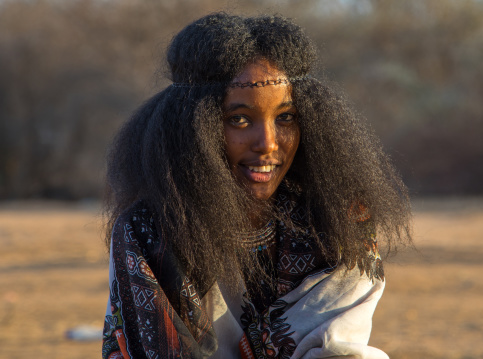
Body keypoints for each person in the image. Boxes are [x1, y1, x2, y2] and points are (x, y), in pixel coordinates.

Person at [102, 13, 412, 359]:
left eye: (286, 118)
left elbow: (338, 346)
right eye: (239, 119)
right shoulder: (150, 230)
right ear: (193, 130)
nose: (267, 143)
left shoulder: (337, 220)